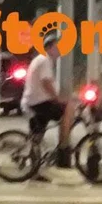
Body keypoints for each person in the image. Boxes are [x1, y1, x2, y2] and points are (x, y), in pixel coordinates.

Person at [21, 30, 75, 172]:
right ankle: (64, 146)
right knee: (68, 107)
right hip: (38, 103)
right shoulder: (44, 60)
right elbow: (46, 83)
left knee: (36, 138)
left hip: (36, 102)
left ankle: (34, 171)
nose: (59, 50)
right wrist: (57, 99)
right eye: (57, 47)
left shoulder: (42, 60)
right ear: (50, 47)